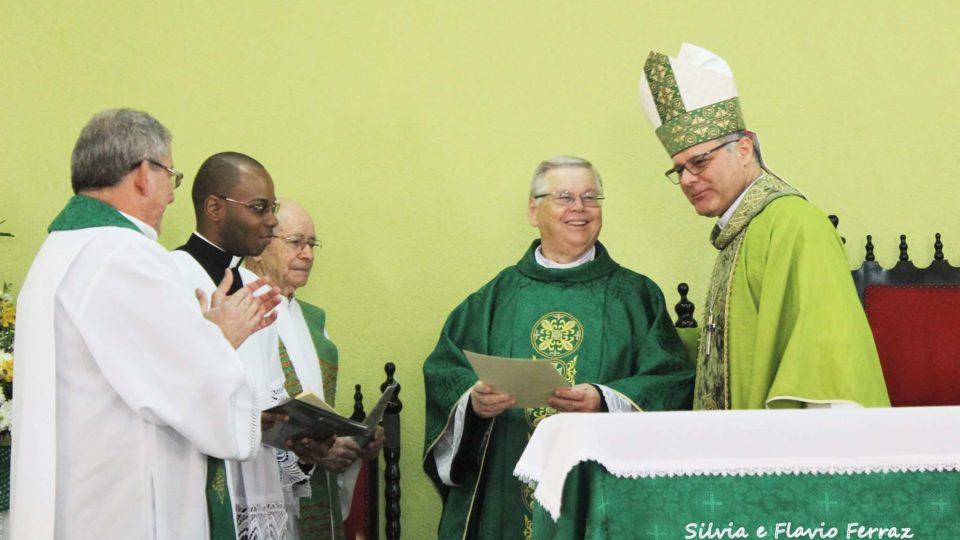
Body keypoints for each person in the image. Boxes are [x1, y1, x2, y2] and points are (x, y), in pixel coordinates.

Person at [11, 109, 279, 539]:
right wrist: (221, 338)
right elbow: (191, 392)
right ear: (142, 174)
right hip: (123, 509)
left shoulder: (57, 254)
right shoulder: (126, 256)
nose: (172, 197)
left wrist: (201, 336)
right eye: (171, 177)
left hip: (75, 503)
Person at [421, 156, 695, 539]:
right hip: (506, 488)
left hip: (602, 488)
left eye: (590, 197)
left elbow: (672, 379)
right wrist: (473, 402)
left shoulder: (636, 296)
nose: (579, 208)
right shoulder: (493, 300)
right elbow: (445, 371)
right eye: (564, 196)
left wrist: (605, 399)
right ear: (534, 210)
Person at [638, 43, 890, 410]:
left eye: (699, 162)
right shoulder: (738, 233)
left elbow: (828, 357)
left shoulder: (794, 223)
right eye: (678, 170)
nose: (689, 179)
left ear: (742, 149)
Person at [170, 153, 330, 538]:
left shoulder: (256, 286)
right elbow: (167, 387)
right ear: (215, 208)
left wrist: (298, 442)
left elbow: (271, 391)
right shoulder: (172, 275)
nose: (271, 221)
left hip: (260, 483)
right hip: (202, 480)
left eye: (271, 208)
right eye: (260, 208)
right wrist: (243, 416)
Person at [245, 198, 385, 539]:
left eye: (311, 244)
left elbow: (312, 411)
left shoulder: (313, 323)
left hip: (305, 494)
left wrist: (351, 442)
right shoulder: (240, 309)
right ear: (260, 248)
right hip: (255, 487)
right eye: (295, 243)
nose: (307, 254)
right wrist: (307, 453)